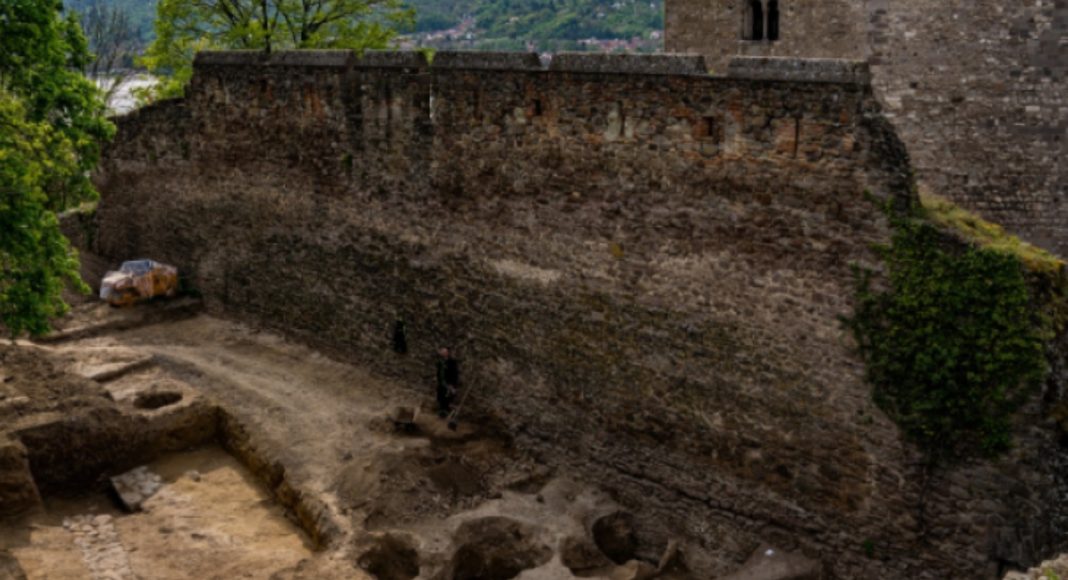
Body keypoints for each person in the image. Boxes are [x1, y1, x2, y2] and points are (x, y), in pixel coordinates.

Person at [435, 347, 460, 418]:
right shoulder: (440, 362)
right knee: (440, 397)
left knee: (447, 398)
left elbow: (455, 374)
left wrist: (453, 385)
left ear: (447, 353)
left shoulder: (452, 362)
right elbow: (439, 372)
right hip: (441, 383)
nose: (442, 353)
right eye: (442, 352)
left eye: (444, 352)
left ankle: (446, 412)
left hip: (449, 383)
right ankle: (441, 411)